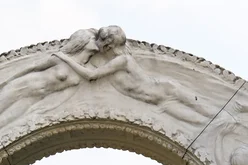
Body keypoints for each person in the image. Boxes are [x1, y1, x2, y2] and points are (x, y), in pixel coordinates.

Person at [53, 26, 214, 125]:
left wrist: (64, 57)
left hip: (167, 90)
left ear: (108, 44)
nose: (96, 46)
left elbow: (91, 76)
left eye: (99, 42)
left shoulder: (122, 60)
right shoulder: (108, 63)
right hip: (159, 102)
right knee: (202, 124)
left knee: (210, 115)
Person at [0, 28, 100, 128]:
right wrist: (3, 83)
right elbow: (32, 68)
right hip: (21, 86)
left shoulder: (85, 70)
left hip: (32, 100)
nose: (97, 43)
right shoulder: (59, 57)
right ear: (83, 41)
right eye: (94, 39)